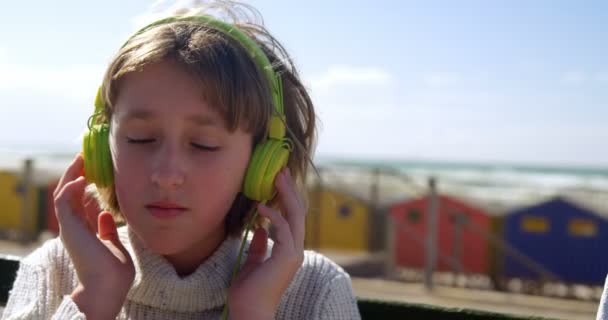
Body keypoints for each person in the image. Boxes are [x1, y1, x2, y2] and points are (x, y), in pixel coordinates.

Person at [2, 2, 360, 319]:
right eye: (140, 138)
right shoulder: (52, 271)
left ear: (261, 166)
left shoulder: (316, 290)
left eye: (203, 145)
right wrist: (92, 302)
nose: (167, 175)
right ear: (99, 148)